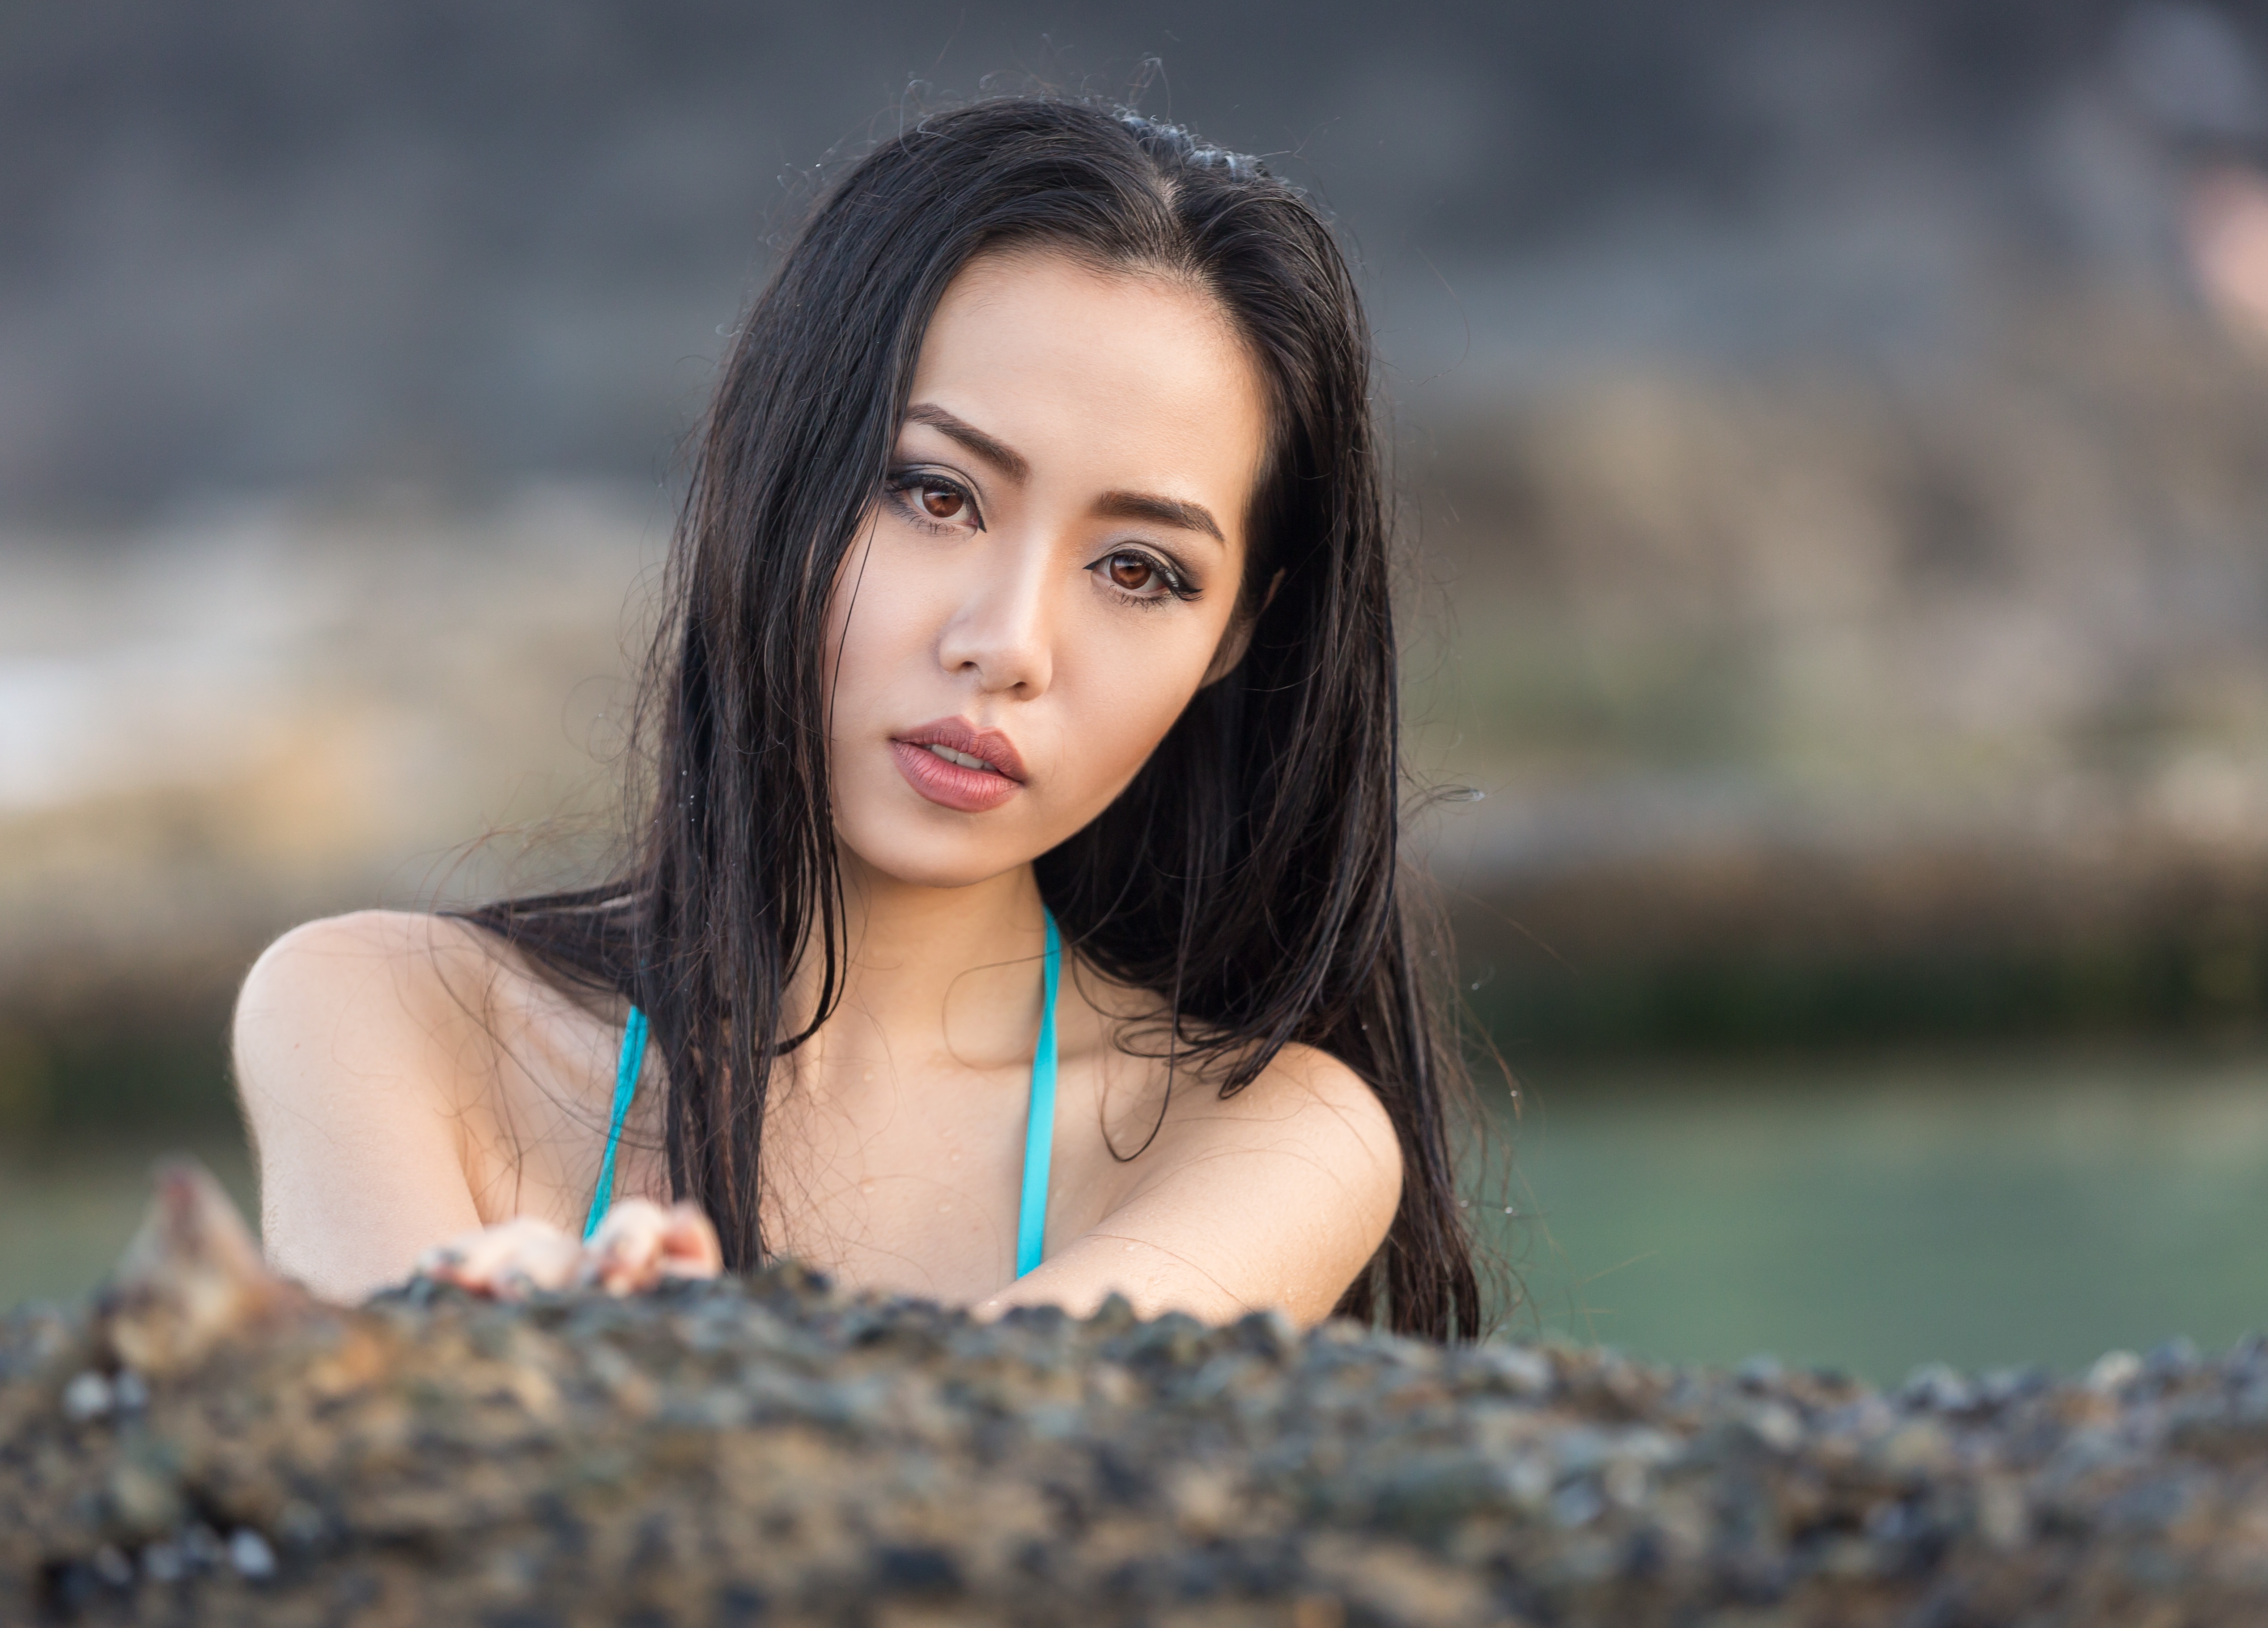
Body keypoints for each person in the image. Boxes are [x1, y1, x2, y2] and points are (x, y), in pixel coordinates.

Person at [233, 98, 1483, 1339]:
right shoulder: (380, 1017)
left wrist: (617, 1372)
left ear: (1234, 639)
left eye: (1139, 571)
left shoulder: (1279, 1137)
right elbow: (379, 1476)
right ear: (773, 466)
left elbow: (976, 1469)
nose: (1006, 645)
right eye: (936, 494)